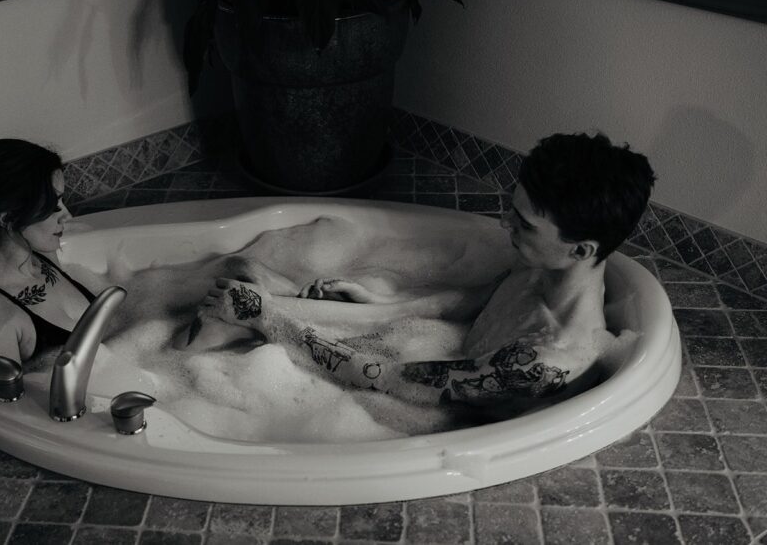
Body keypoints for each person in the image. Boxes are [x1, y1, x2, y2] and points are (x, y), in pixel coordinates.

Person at [186, 132, 656, 417]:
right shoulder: (542, 268)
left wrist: (268, 317)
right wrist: (380, 306)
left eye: (524, 224)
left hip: (418, 414)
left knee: (230, 321)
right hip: (417, 362)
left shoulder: (547, 362)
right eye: (511, 211)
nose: (503, 225)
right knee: (240, 272)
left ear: (581, 249)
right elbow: (468, 301)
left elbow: (387, 379)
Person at [0, 139, 106, 365]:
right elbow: (5, 400)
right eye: (54, 206)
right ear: (8, 218)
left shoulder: (44, 257)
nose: (67, 216)